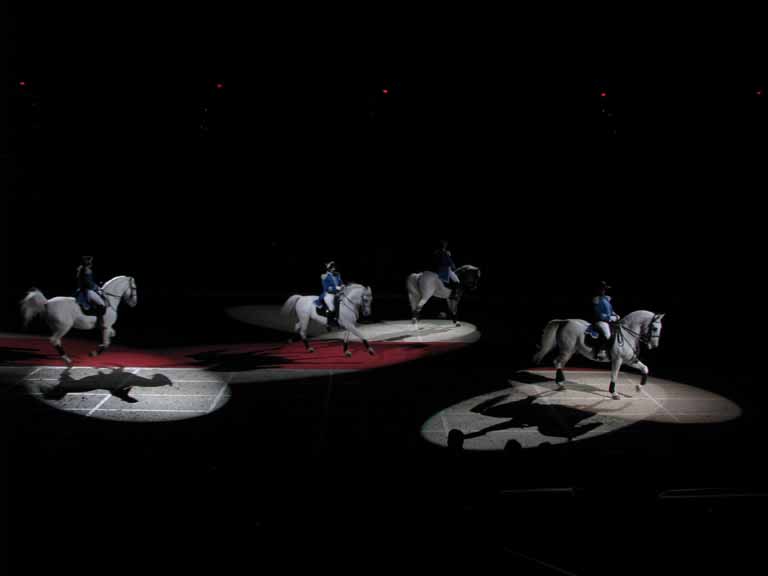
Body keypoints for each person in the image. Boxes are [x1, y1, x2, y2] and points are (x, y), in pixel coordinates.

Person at [76, 255, 107, 330]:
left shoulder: (81, 269)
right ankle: (99, 324)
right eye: (90, 261)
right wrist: (97, 287)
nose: (91, 262)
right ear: (87, 262)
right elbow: (88, 283)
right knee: (102, 304)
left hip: (81, 290)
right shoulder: (87, 270)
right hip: (88, 291)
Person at [591, 280, 620, 358]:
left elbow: (610, 310)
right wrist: (609, 317)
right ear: (598, 290)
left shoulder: (607, 299)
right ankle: (601, 351)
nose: (603, 291)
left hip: (608, 321)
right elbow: (599, 313)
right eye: (601, 289)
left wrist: (615, 314)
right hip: (601, 321)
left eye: (604, 289)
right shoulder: (596, 299)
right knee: (607, 335)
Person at [318, 261, 345, 327]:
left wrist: (343, 285)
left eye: (334, 267)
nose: (334, 269)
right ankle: (329, 322)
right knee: (332, 308)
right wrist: (338, 288)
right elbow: (327, 288)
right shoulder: (324, 276)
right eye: (332, 268)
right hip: (329, 294)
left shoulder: (337, 274)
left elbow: (341, 282)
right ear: (329, 269)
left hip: (338, 293)